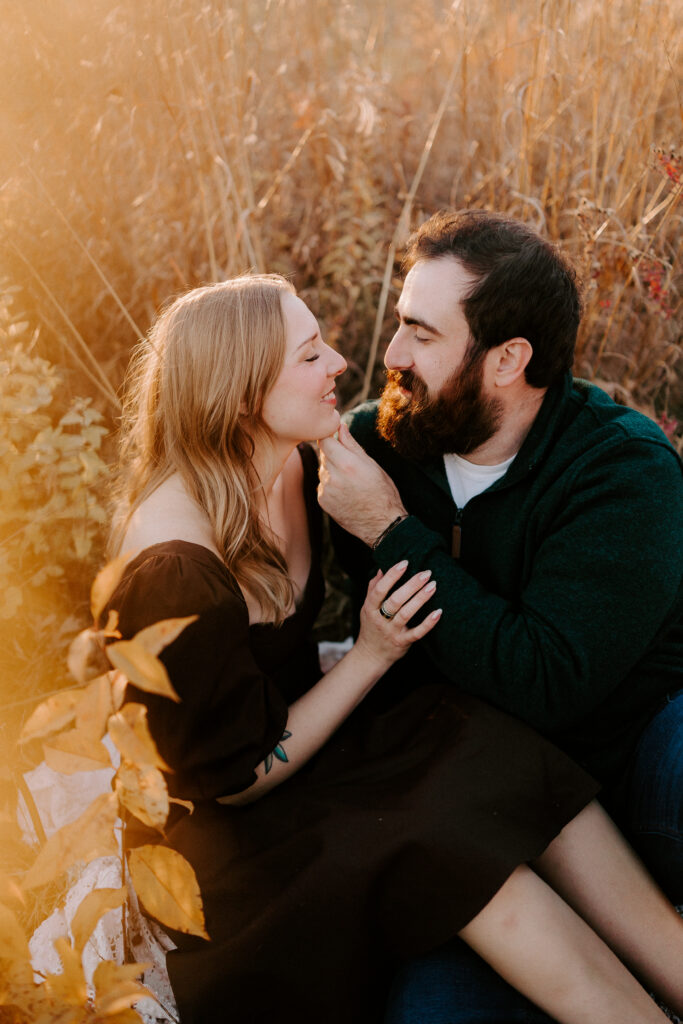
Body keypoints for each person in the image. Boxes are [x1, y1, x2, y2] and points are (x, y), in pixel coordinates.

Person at [106, 273, 683, 1024]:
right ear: (244, 393)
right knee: (445, 838)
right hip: (238, 831)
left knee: (481, 738)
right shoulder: (171, 567)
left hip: (316, 742)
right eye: (310, 355)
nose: (343, 362)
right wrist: (371, 653)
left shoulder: (293, 464)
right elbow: (236, 775)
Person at [317, 209, 683, 1023]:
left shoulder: (620, 471)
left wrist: (388, 532)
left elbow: (545, 685)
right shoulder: (373, 450)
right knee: (433, 1014)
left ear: (508, 358)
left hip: (629, 769)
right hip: (474, 818)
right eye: (399, 322)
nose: (392, 355)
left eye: (421, 332)